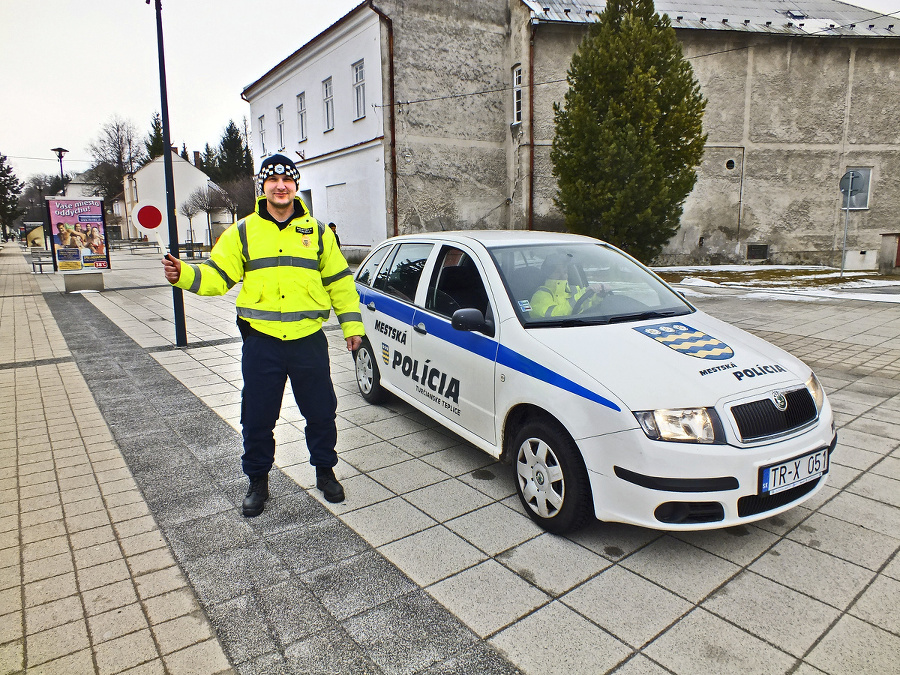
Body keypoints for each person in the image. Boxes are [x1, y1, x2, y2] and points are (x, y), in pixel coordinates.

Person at [162, 154, 364, 516]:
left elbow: (340, 283)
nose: (281, 186)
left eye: (287, 179)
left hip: (308, 339)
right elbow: (217, 275)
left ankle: (324, 471)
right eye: (273, 180)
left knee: (321, 412)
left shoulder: (317, 232)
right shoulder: (242, 232)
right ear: (263, 186)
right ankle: (257, 481)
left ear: (295, 185)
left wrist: (352, 327)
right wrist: (185, 276)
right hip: (262, 342)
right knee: (257, 417)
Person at [530, 252, 604, 318]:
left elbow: (586, 308)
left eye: (565, 272)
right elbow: (554, 315)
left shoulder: (575, 289)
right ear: (548, 274)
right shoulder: (540, 295)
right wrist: (580, 296)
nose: (562, 276)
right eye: (557, 272)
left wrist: (599, 296)